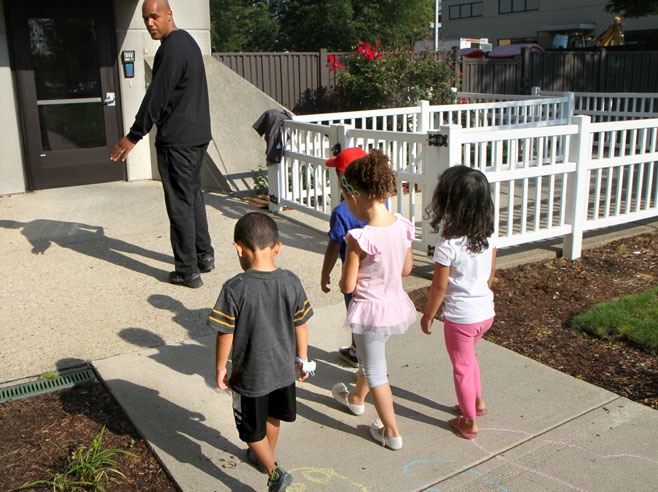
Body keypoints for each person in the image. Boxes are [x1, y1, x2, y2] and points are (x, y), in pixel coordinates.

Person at [110, 0, 214, 289]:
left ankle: (187, 271)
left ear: (169, 15)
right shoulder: (188, 43)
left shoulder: (171, 50)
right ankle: (204, 256)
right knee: (192, 197)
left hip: (178, 142)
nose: (150, 23)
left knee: (180, 205)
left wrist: (133, 135)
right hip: (196, 138)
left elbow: (157, 96)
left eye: (154, 16)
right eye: (145, 19)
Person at [209, 212, 313, 491]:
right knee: (272, 417)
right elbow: (300, 323)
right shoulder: (291, 281)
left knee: (249, 430)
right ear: (278, 247)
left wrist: (221, 367)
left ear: (238, 248)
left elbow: (225, 332)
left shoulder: (235, 288)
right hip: (283, 371)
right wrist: (302, 359)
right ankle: (265, 457)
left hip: (252, 377)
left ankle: (274, 470)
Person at [330, 150, 416, 450]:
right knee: (372, 358)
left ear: (356, 197)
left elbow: (348, 284)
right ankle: (355, 399)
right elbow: (406, 269)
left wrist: (346, 271)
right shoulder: (403, 225)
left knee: (377, 372)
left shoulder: (359, 238)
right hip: (394, 306)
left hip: (368, 311)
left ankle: (391, 431)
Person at [420, 165, 496, 440]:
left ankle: (469, 421)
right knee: (469, 359)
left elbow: (439, 286)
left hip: (461, 319)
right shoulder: (489, 236)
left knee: (461, 367)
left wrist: (428, 315)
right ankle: (477, 402)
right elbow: (489, 277)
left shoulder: (448, 244)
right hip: (485, 313)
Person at [320, 147, 368, 367]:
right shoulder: (381, 204)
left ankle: (360, 353)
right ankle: (358, 350)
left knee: (355, 314)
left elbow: (333, 245)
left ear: (342, 178)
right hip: (376, 274)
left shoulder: (341, 212)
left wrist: (325, 273)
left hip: (353, 275)